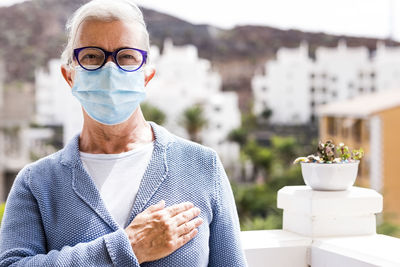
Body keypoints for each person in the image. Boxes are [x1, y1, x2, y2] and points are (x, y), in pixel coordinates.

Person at [0, 0, 248, 266]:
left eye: (126, 56)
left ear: (146, 75)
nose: (110, 70)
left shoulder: (202, 166)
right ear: (69, 75)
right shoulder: (36, 183)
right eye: (92, 56)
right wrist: (127, 248)